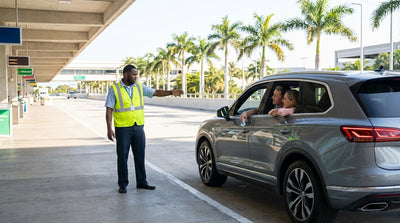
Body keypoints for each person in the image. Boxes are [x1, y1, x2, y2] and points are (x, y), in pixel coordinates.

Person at [105, 64, 183, 193]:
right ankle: (123, 184)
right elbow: (109, 109)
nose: (136, 77)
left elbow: (155, 92)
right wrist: (109, 129)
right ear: (125, 75)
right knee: (122, 157)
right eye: (133, 74)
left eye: (136, 74)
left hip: (138, 127)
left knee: (140, 155)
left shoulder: (139, 87)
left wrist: (170, 92)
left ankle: (142, 181)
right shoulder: (115, 89)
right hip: (123, 128)